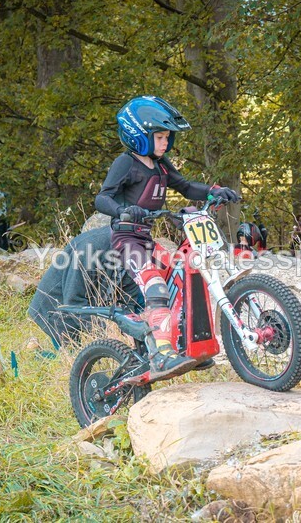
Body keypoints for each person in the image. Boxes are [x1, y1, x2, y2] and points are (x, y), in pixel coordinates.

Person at [94, 96, 239, 382]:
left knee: (183, 275)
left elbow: (185, 187)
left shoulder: (161, 165)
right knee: (156, 285)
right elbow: (102, 197)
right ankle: (160, 355)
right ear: (139, 135)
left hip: (147, 239)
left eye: (167, 138)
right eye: (160, 137)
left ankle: (185, 345)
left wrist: (214, 191)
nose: (165, 143)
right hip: (126, 241)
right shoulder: (126, 163)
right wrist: (124, 211)